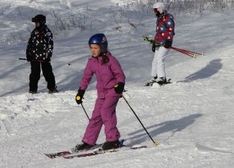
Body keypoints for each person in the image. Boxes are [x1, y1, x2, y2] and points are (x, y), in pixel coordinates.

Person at [74, 33, 125, 151]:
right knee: (96, 116)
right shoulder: (91, 62)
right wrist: (81, 92)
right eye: (91, 48)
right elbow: (86, 77)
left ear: (103, 47)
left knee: (106, 112)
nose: (93, 50)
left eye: (95, 48)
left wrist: (120, 84)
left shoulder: (111, 60)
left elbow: (120, 74)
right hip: (101, 93)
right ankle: (88, 141)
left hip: (113, 90)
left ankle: (113, 140)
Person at [26, 14, 58, 94]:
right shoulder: (34, 32)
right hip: (34, 57)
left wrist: (48, 56)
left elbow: (50, 45)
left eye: (37, 23)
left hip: (45, 58)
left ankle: (52, 88)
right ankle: (32, 90)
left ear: (42, 22)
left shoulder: (47, 32)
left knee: (47, 73)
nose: (36, 24)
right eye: (35, 23)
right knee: (34, 74)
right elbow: (30, 44)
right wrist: (28, 54)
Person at [145, 2, 175, 86]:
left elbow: (171, 30)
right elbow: (158, 32)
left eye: (156, 10)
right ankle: (154, 77)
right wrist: (154, 43)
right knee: (155, 60)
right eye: (154, 10)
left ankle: (161, 78)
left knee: (160, 59)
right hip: (159, 42)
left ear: (160, 9)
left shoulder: (168, 17)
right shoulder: (159, 19)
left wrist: (169, 40)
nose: (155, 12)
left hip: (165, 42)